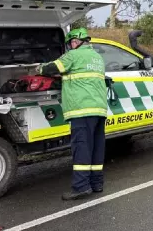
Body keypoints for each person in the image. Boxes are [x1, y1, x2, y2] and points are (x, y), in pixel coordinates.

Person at [38, 28, 108, 200]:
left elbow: (51, 68)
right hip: (99, 109)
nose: (70, 46)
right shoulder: (97, 57)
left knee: (82, 147)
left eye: (70, 43)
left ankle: (81, 187)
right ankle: (96, 183)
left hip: (81, 109)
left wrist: (38, 67)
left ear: (75, 41)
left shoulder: (73, 55)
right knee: (96, 148)